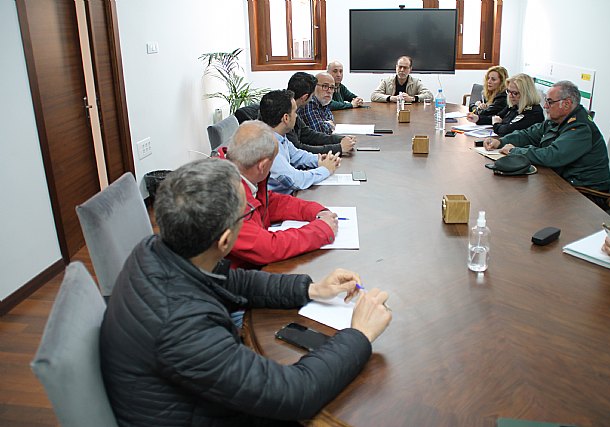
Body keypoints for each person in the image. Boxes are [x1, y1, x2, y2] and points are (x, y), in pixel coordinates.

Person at [100, 158, 392, 426]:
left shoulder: (158, 249)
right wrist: (359, 334)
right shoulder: (183, 325)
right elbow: (295, 393)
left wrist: (312, 289)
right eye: (247, 213)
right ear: (225, 241)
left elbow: (232, 281)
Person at [222, 120, 338, 269]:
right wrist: (321, 230)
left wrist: (316, 211)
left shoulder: (240, 173)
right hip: (236, 277)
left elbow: (270, 203)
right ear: (263, 166)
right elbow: (267, 248)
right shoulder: (226, 195)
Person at [484, 80, 610, 191]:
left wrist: (514, 151)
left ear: (566, 104)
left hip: (583, 192)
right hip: (561, 180)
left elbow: (552, 155)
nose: (545, 106)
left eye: (550, 102)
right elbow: (529, 134)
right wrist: (501, 142)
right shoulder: (557, 120)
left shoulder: (580, 128)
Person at [234, 72, 356, 155]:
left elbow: (307, 134)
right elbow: (298, 149)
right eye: (312, 96)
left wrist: (340, 139)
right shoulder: (284, 114)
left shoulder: (292, 108)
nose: (312, 99)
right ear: (305, 97)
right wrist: (338, 148)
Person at [260, 89, 341, 194]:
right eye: (295, 112)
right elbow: (296, 180)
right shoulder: (268, 146)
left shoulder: (279, 137)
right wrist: (325, 169)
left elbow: (297, 156)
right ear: (286, 118)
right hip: (275, 200)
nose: (297, 116)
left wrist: (320, 159)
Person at [467, 73, 544, 136]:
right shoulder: (515, 105)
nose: (510, 96)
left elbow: (507, 130)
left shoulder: (533, 113)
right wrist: (478, 119)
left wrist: (496, 124)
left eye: (515, 93)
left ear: (526, 94)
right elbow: (497, 117)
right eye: (509, 91)